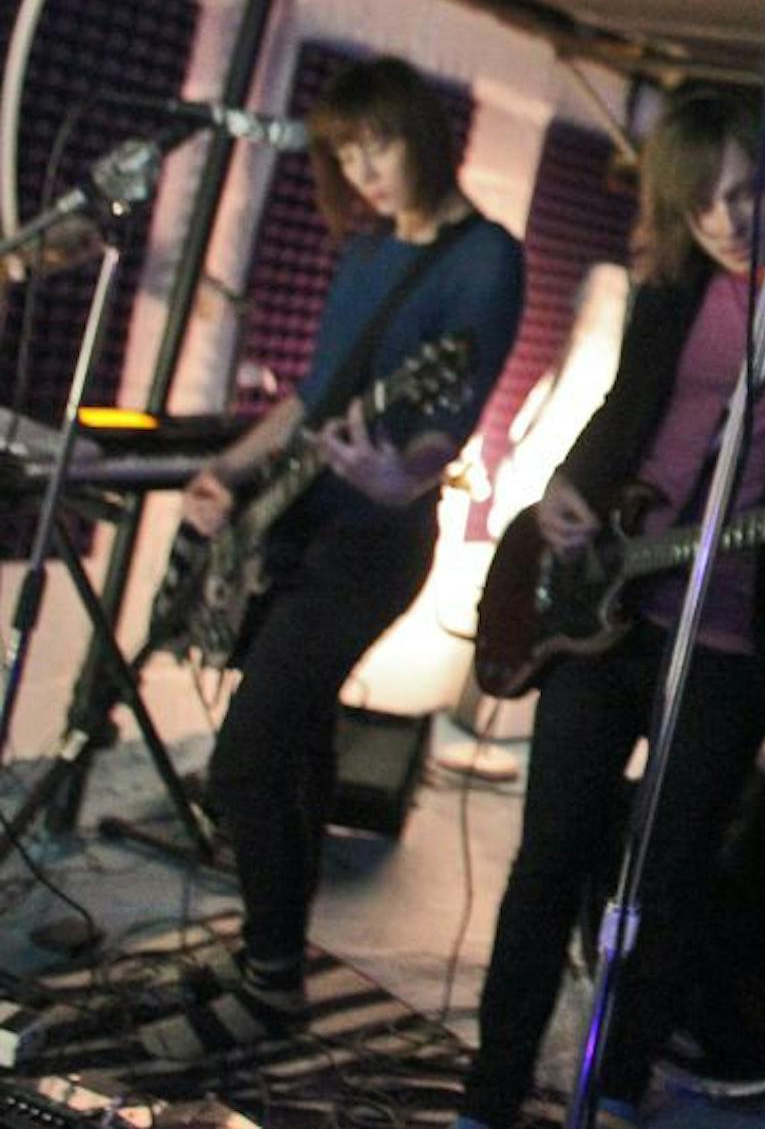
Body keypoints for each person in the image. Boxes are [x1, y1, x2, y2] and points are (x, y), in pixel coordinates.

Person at [454, 93, 765, 1129]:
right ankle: (489, 1088)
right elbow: (625, 412)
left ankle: (614, 1088)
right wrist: (566, 485)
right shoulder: (675, 290)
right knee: (550, 849)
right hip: (610, 592)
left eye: (747, 194)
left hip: (739, 625)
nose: (729, 222)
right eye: (703, 205)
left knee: (669, 869)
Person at [145, 57, 526, 1056]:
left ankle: (270, 982)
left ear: (424, 134)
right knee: (298, 751)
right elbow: (313, 403)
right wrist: (228, 471)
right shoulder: (361, 254)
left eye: (380, 144)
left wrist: (413, 471)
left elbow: (451, 414)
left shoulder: (485, 258)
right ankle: (274, 966)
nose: (365, 170)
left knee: (243, 761)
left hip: (378, 543)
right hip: (298, 524)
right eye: (347, 154)